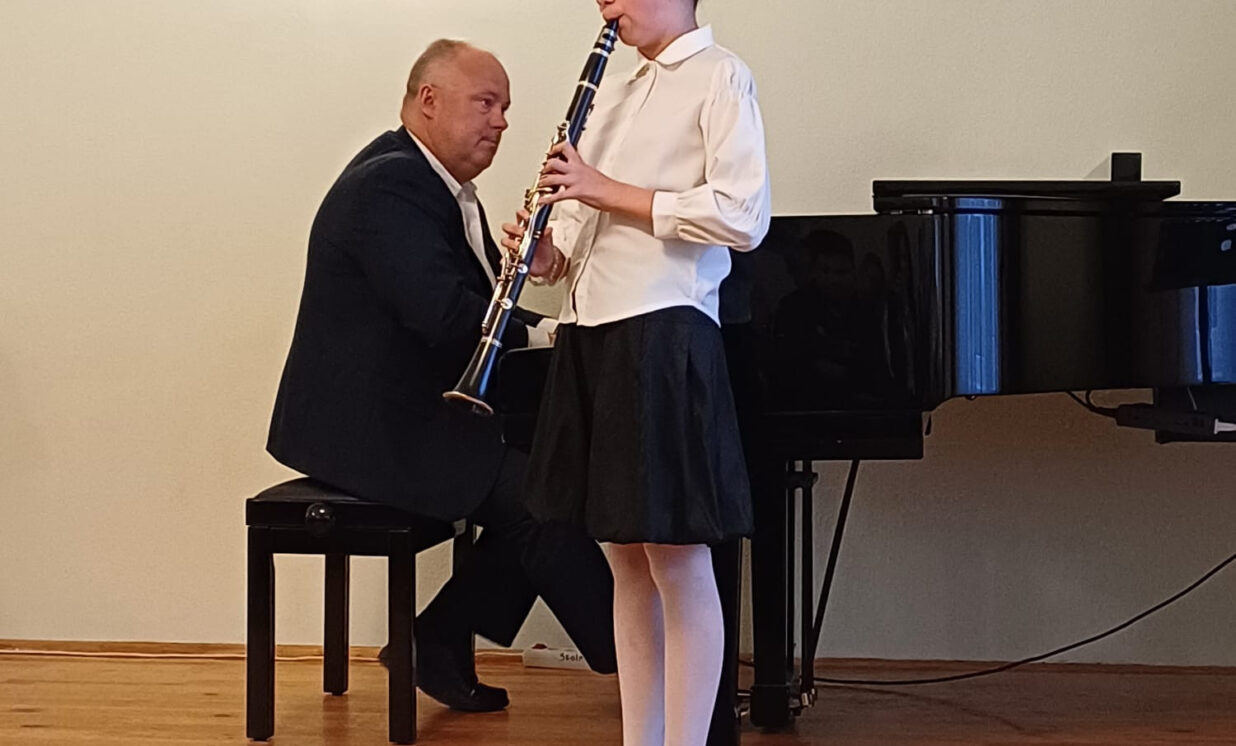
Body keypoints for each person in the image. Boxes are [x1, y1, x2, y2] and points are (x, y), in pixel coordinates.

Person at [266, 39, 617, 713]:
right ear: (428, 100)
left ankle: (438, 637)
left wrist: (553, 329)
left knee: (549, 480)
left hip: (408, 415)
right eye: (486, 103)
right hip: (368, 433)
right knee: (542, 499)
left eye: (505, 107)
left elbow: (479, 309)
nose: (501, 121)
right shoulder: (390, 185)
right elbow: (447, 317)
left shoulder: (435, 184)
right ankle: (640, 654)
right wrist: (548, 337)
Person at [501, 0, 771, 742]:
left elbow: (744, 216)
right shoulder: (612, 94)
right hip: (591, 335)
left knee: (678, 562)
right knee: (623, 558)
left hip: (664, 333)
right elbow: (577, 241)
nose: (606, 5)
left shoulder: (720, 76)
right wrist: (543, 254)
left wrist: (605, 189)